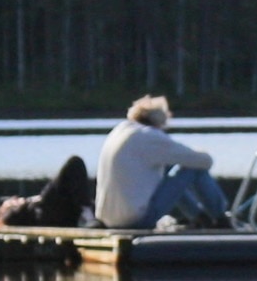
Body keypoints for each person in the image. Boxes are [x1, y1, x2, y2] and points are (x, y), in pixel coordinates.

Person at [97, 95, 229, 228]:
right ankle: (220, 218)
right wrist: (198, 151)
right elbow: (205, 161)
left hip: (109, 221)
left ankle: (201, 218)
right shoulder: (150, 136)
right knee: (193, 169)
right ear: (160, 122)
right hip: (136, 221)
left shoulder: (120, 130)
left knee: (168, 167)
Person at [0, 153, 96, 231]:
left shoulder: (24, 207)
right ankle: (87, 211)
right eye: (10, 201)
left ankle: (87, 211)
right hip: (47, 210)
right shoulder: (12, 213)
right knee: (74, 163)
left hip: (56, 211)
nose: (14, 198)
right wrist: (18, 205)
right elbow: (5, 221)